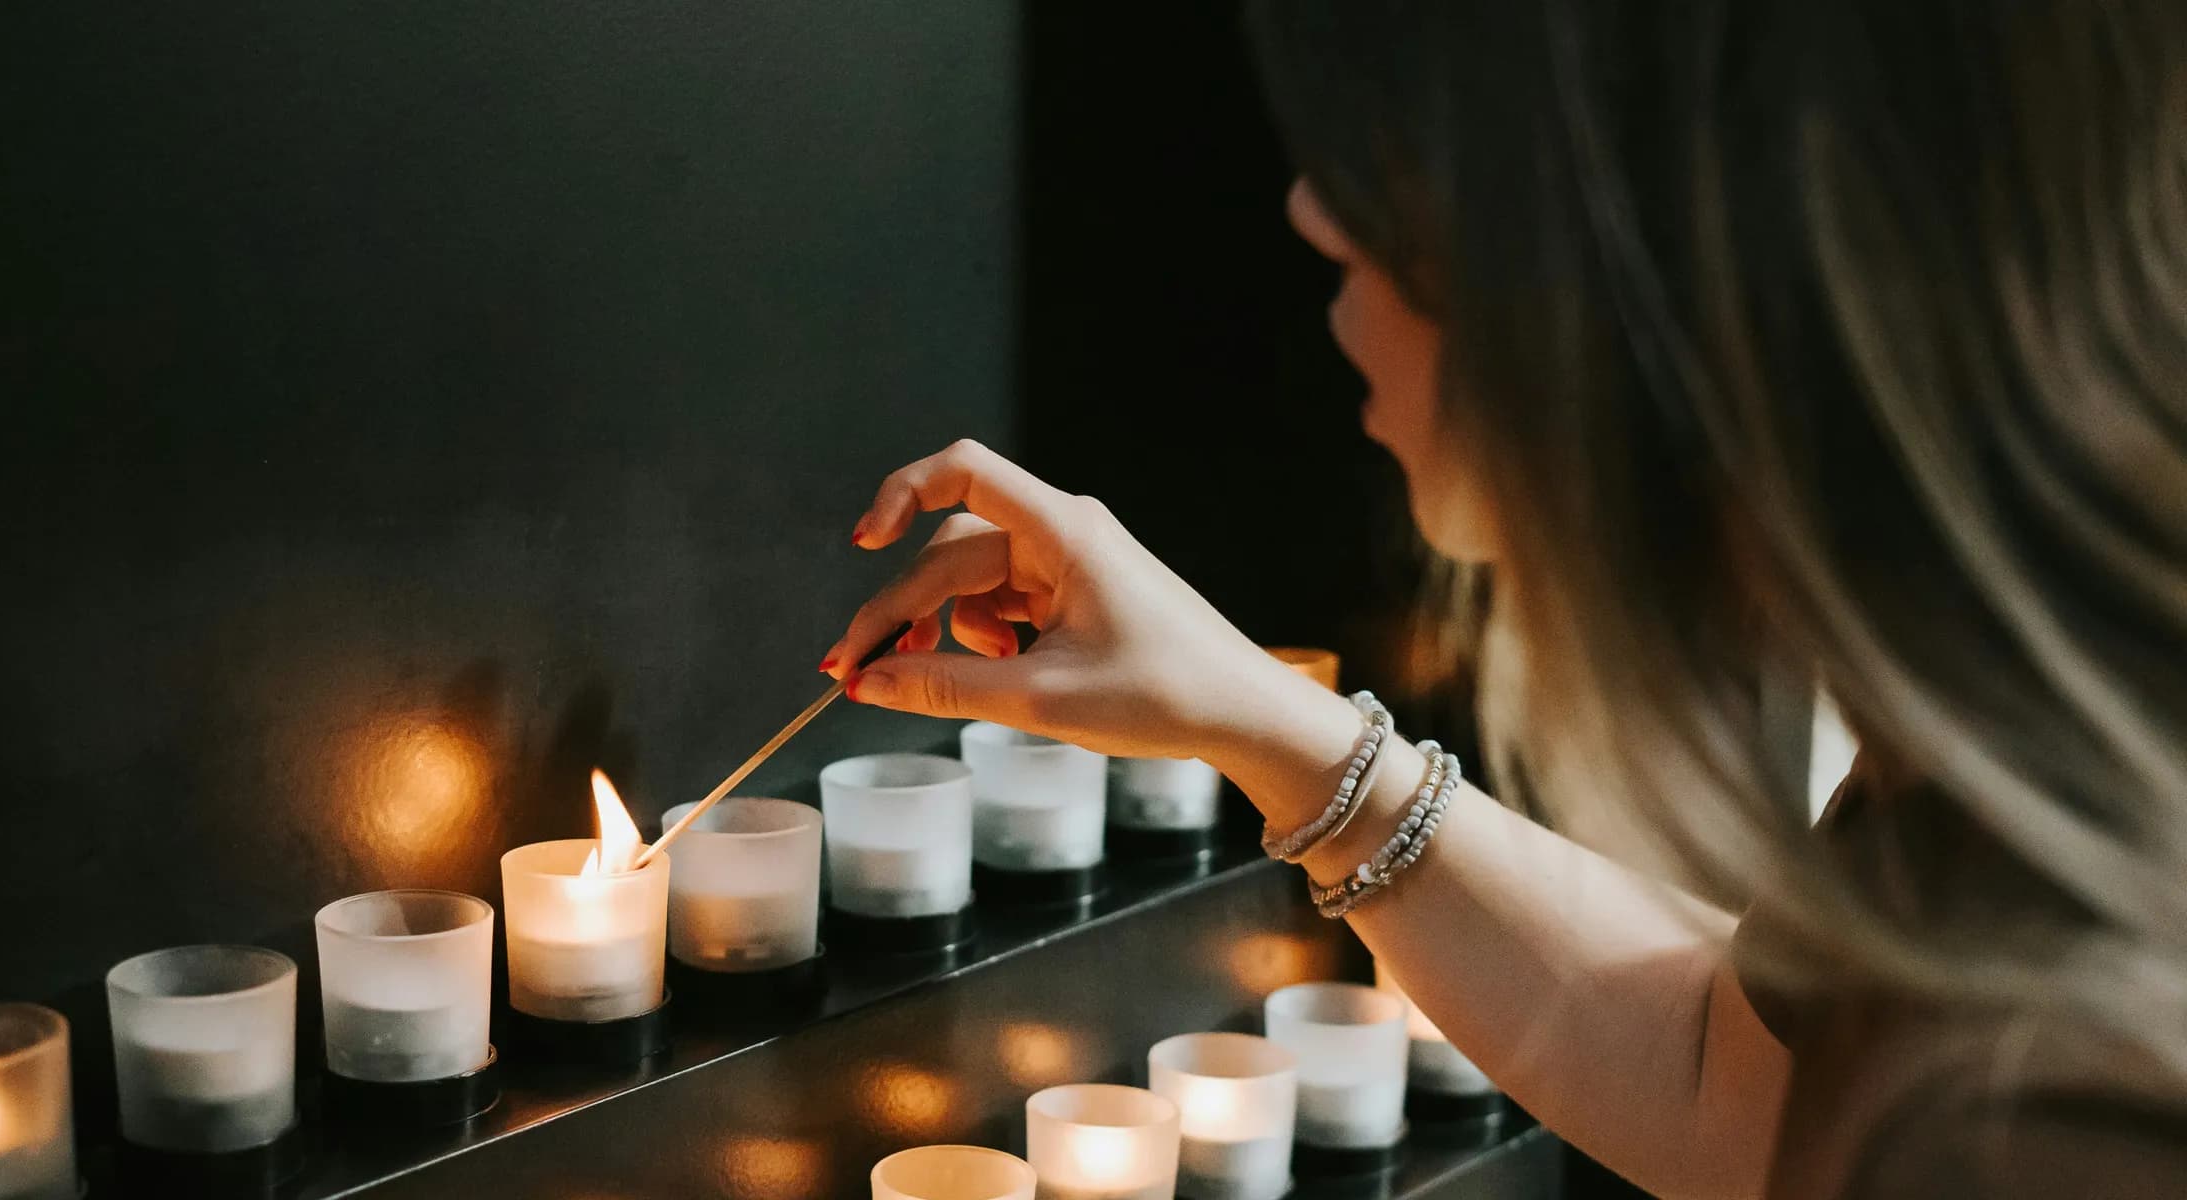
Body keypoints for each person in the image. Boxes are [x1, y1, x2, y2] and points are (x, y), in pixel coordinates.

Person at [815, 2, 2187, 1197]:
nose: (1310, 205)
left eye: (1415, 133)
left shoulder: (2049, 1110)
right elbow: (1736, 1086)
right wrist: (1264, 724)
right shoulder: (2004, 744)